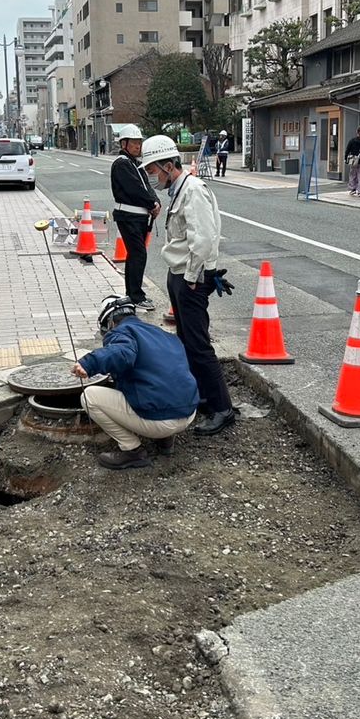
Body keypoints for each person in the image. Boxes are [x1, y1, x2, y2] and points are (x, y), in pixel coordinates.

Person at [138, 134, 236, 436]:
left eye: (154, 170)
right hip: (179, 273)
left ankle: (222, 408)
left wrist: (194, 278)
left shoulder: (193, 190)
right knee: (187, 341)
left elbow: (204, 239)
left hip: (189, 278)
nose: (153, 176)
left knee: (198, 344)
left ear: (169, 165)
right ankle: (204, 397)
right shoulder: (178, 191)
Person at [73, 296, 199, 470]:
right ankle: (165, 441)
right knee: (155, 382)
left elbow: (122, 353)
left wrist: (89, 363)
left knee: (89, 396)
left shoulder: (122, 332)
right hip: (188, 412)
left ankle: (132, 451)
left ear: (109, 322)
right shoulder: (163, 335)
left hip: (160, 421)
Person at [110, 124, 161, 311]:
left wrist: (156, 202)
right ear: (124, 143)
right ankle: (135, 296)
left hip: (138, 217)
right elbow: (134, 189)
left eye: (139, 142)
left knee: (136, 255)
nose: (137, 146)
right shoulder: (122, 163)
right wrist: (152, 204)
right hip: (128, 215)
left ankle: (133, 293)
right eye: (134, 142)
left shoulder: (134, 164)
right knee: (138, 254)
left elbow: (147, 186)